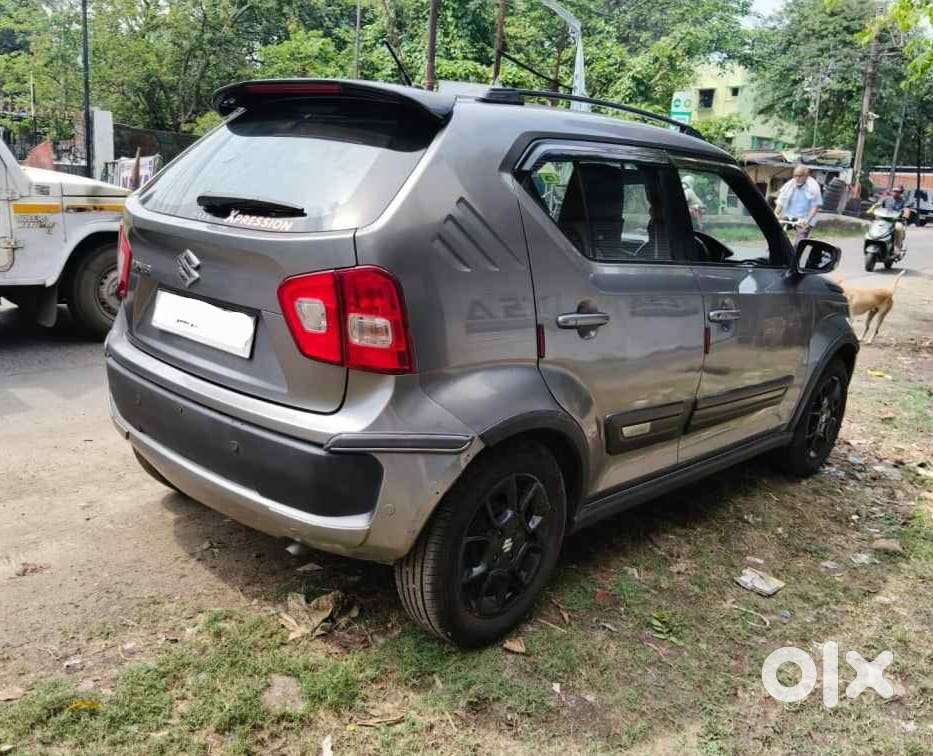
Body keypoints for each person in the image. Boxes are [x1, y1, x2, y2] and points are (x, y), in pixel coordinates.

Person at [775, 165, 822, 244]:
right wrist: (775, 214)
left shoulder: (813, 187)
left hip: (804, 218)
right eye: (795, 176)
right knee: (775, 233)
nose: (797, 178)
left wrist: (807, 220)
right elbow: (781, 201)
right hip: (789, 215)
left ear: (806, 176)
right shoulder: (790, 184)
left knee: (801, 239)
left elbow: (815, 206)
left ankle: (796, 253)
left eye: (800, 176)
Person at [870, 185, 910, 251]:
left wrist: (905, 215)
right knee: (873, 225)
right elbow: (878, 205)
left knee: (899, 228)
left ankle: (897, 246)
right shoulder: (886, 199)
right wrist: (872, 210)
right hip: (883, 219)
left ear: (901, 193)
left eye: (898, 191)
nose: (896, 193)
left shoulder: (903, 201)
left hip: (896, 221)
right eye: (894, 191)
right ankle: (872, 241)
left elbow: (906, 209)